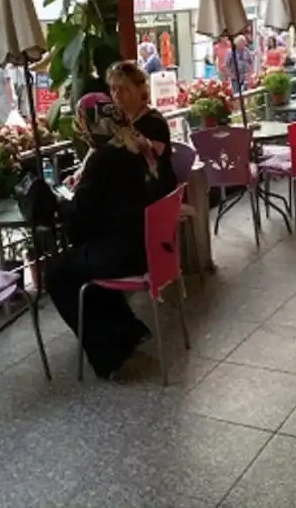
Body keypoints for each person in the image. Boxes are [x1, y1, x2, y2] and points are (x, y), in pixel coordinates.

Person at [47, 93, 158, 380]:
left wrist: (61, 204)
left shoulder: (102, 159)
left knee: (58, 274)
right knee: (80, 265)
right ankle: (128, 330)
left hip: (121, 254)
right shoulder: (134, 147)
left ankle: (108, 353)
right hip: (148, 247)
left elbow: (82, 214)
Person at [106, 60, 177, 201]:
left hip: (155, 193)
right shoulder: (120, 121)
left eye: (124, 89)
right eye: (113, 89)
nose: (117, 95)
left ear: (141, 91)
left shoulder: (153, 122)